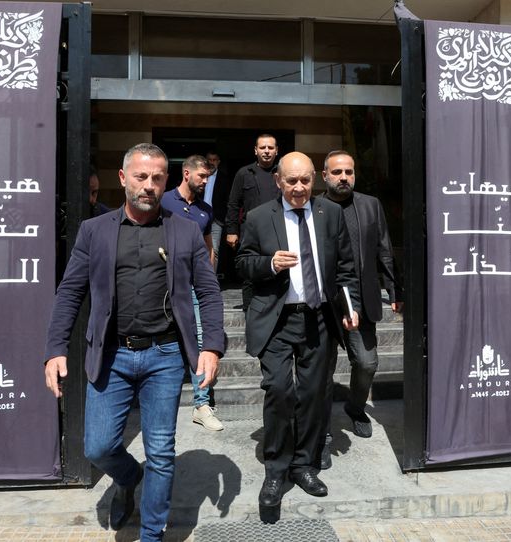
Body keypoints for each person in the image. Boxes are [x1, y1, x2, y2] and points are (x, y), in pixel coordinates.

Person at [43, 143, 225, 541]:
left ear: (166, 181)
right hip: (112, 355)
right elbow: (70, 291)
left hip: (165, 356)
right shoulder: (95, 231)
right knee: (98, 447)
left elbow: (209, 293)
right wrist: (55, 349)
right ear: (123, 178)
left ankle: (150, 534)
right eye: (141, 177)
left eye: (157, 178)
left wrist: (211, 346)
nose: (149, 186)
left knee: (161, 451)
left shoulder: (186, 231)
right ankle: (128, 477)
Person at [235, 151, 360, 522]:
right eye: (292, 181)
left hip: (319, 318)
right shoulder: (259, 217)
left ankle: (304, 465)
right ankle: (276, 470)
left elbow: (346, 267)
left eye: (306, 180)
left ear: (314, 180)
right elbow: (241, 263)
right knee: (279, 391)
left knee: (313, 394)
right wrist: (269, 263)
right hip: (276, 319)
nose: (300, 187)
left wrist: (349, 305)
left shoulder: (330, 214)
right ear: (278, 181)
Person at [319, 150, 403, 469]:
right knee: (321, 370)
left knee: (367, 362)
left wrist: (394, 289)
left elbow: (383, 247)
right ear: (324, 175)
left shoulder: (369, 205)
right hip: (327, 301)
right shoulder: (315, 207)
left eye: (349, 172)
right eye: (337, 172)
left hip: (362, 297)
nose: (344, 177)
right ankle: (321, 430)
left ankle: (355, 408)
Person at [160, 155, 224, 431]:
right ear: (187, 173)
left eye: (208, 176)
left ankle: (201, 405)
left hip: (193, 287)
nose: (206, 181)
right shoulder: (163, 201)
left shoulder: (205, 211)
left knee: (199, 342)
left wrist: (209, 279)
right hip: (163, 287)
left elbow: (209, 248)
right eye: (202, 176)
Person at [225, 134, 280, 310]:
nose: (266, 151)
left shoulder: (282, 173)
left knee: (276, 269)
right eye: (262, 147)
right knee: (249, 272)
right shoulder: (244, 173)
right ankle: (249, 309)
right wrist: (231, 230)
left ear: (276, 151)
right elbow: (233, 204)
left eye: (270, 148)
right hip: (250, 232)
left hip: (278, 230)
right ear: (255, 150)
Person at [202, 151, 232, 271]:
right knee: (196, 248)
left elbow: (229, 201)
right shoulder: (200, 176)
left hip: (216, 219)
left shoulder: (225, 179)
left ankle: (211, 283)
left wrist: (223, 218)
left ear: (218, 162)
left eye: (214, 160)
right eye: (209, 159)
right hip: (199, 216)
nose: (212, 162)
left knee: (214, 250)